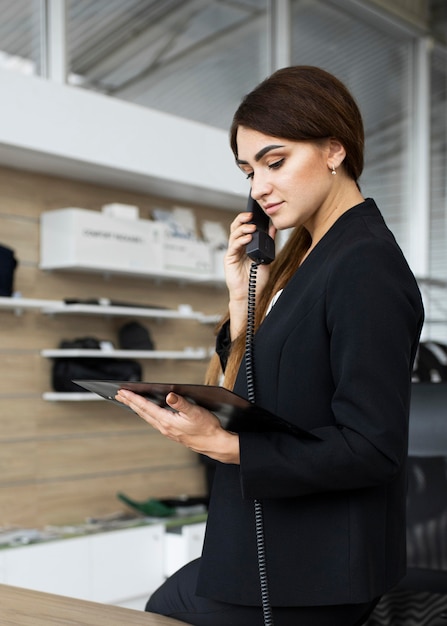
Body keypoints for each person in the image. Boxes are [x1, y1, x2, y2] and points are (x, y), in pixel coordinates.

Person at [115, 66, 424, 626]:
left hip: (314, 571)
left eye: (274, 162)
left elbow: (373, 448)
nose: (258, 187)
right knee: (164, 602)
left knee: (162, 608)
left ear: (335, 149)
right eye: (248, 170)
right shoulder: (300, 259)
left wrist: (227, 447)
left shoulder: (365, 266)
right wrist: (241, 300)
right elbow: (243, 390)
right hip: (269, 547)